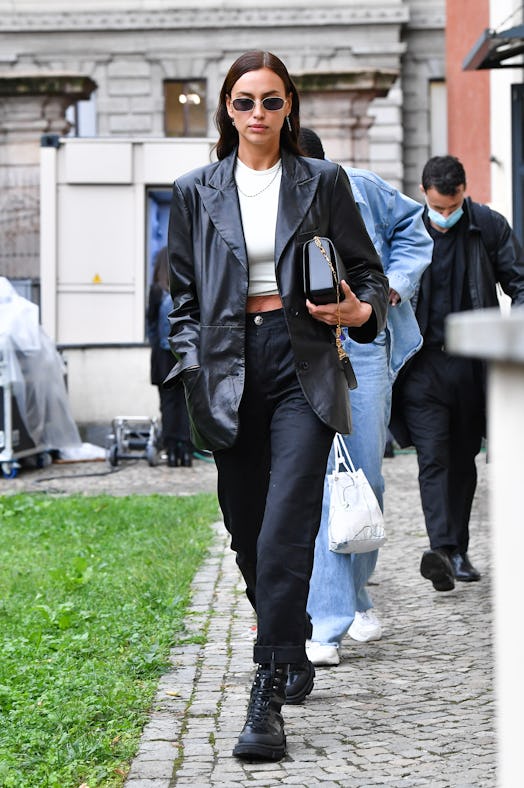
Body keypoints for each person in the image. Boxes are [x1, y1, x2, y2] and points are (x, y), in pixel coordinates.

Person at [165, 51, 389, 761]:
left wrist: (360, 311)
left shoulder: (321, 182)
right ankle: (286, 643)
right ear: (225, 110)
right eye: (242, 102)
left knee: (286, 523)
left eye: (269, 101)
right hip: (228, 365)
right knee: (245, 528)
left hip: (303, 361)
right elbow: (182, 302)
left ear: (289, 105)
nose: (256, 114)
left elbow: (367, 273)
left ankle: (266, 695)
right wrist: (194, 363)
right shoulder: (195, 190)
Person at [298, 128, 433, 666]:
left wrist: (394, 284)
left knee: (363, 479)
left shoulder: (361, 186)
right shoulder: (258, 191)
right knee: (317, 481)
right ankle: (326, 624)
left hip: (363, 342)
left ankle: (353, 593)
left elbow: (411, 226)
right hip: (296, 346)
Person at [391, 154, 524, 592]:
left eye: (451, 207)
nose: (443, 216)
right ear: (424, 194)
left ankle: (458, 549)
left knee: (464, 459)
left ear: (464, 191)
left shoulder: (487, 226)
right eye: (437, 207)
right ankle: (442, 550)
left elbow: (519, 284)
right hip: (422, 365)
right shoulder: (408, 227)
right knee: (433, 457)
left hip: (472, 366)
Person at [146, 246, 192, 467]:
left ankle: (171, 448)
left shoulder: (156, 291)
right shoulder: (185, 289)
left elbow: (151, 326)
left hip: (162, 357)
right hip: (185, 353)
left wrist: (156, 346)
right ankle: (186, 448)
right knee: (186, 402)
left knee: (168, 403)